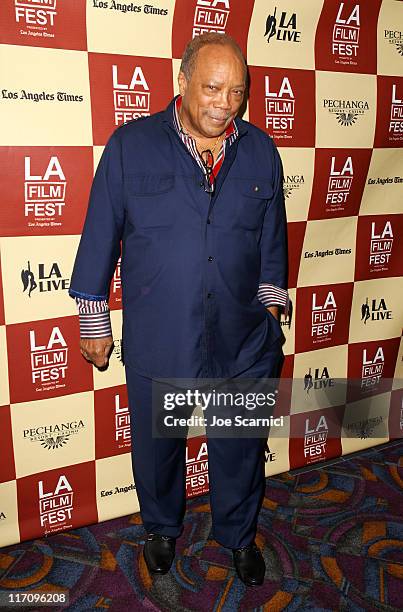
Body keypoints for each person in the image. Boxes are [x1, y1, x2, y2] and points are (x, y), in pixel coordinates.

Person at [69, 33, 288, 587]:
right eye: (212, 88)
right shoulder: (130, 146)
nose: (224, 103)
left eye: (237, 92)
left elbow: (269, 242)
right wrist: (93, 322)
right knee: (159, 449)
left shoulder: (261, 150)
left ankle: (238, 535)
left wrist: (272, 304)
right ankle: (161, 528)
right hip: (161, 335)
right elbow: (101, 235)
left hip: (242, 341)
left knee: (239, 449)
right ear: (182, 82)